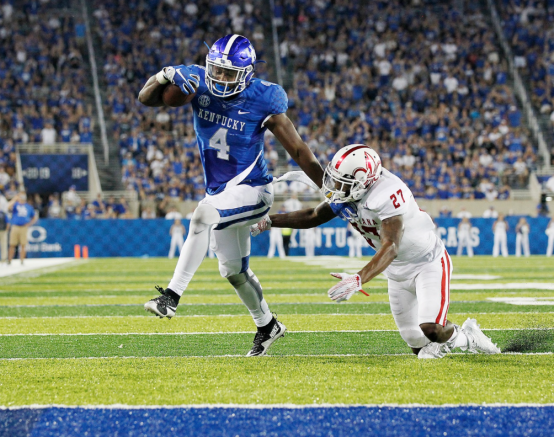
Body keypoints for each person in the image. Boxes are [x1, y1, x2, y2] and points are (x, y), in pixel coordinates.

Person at [138, 34, 324, 356]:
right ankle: (268, 325)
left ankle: (171, 296)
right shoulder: (197, 80)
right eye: (217, 71)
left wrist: (327, 184)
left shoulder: (264, 98)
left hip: (254, 190)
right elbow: (148, 99)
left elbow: (297, 148)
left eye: (229, 73)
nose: (221, 79)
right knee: (234, 272)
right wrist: (164, 74)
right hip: (222, 192)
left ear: (247, 72)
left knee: (202, 215)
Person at [252, 144, 500, 359]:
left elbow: (391, 245)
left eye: (343, 181)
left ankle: (465, 335)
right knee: (415, 342)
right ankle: (441, 344)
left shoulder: (388, 193)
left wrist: (359, 278)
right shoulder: (350, 192)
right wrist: (270, 221)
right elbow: (314, 215)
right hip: (395, 270)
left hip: (426, 262)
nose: (336, 185)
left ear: (363, 182)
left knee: (432, 329)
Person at [8, 192, 37, 265]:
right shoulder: (16, 204)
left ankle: (22, 261)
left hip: (24, 227)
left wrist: (29, 224)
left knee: (23, 245)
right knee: (12, 244)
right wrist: (14, 199)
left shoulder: (28, 207)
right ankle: (9, 260)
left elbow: (34, 217)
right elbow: (8, 207)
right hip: (15, 226)